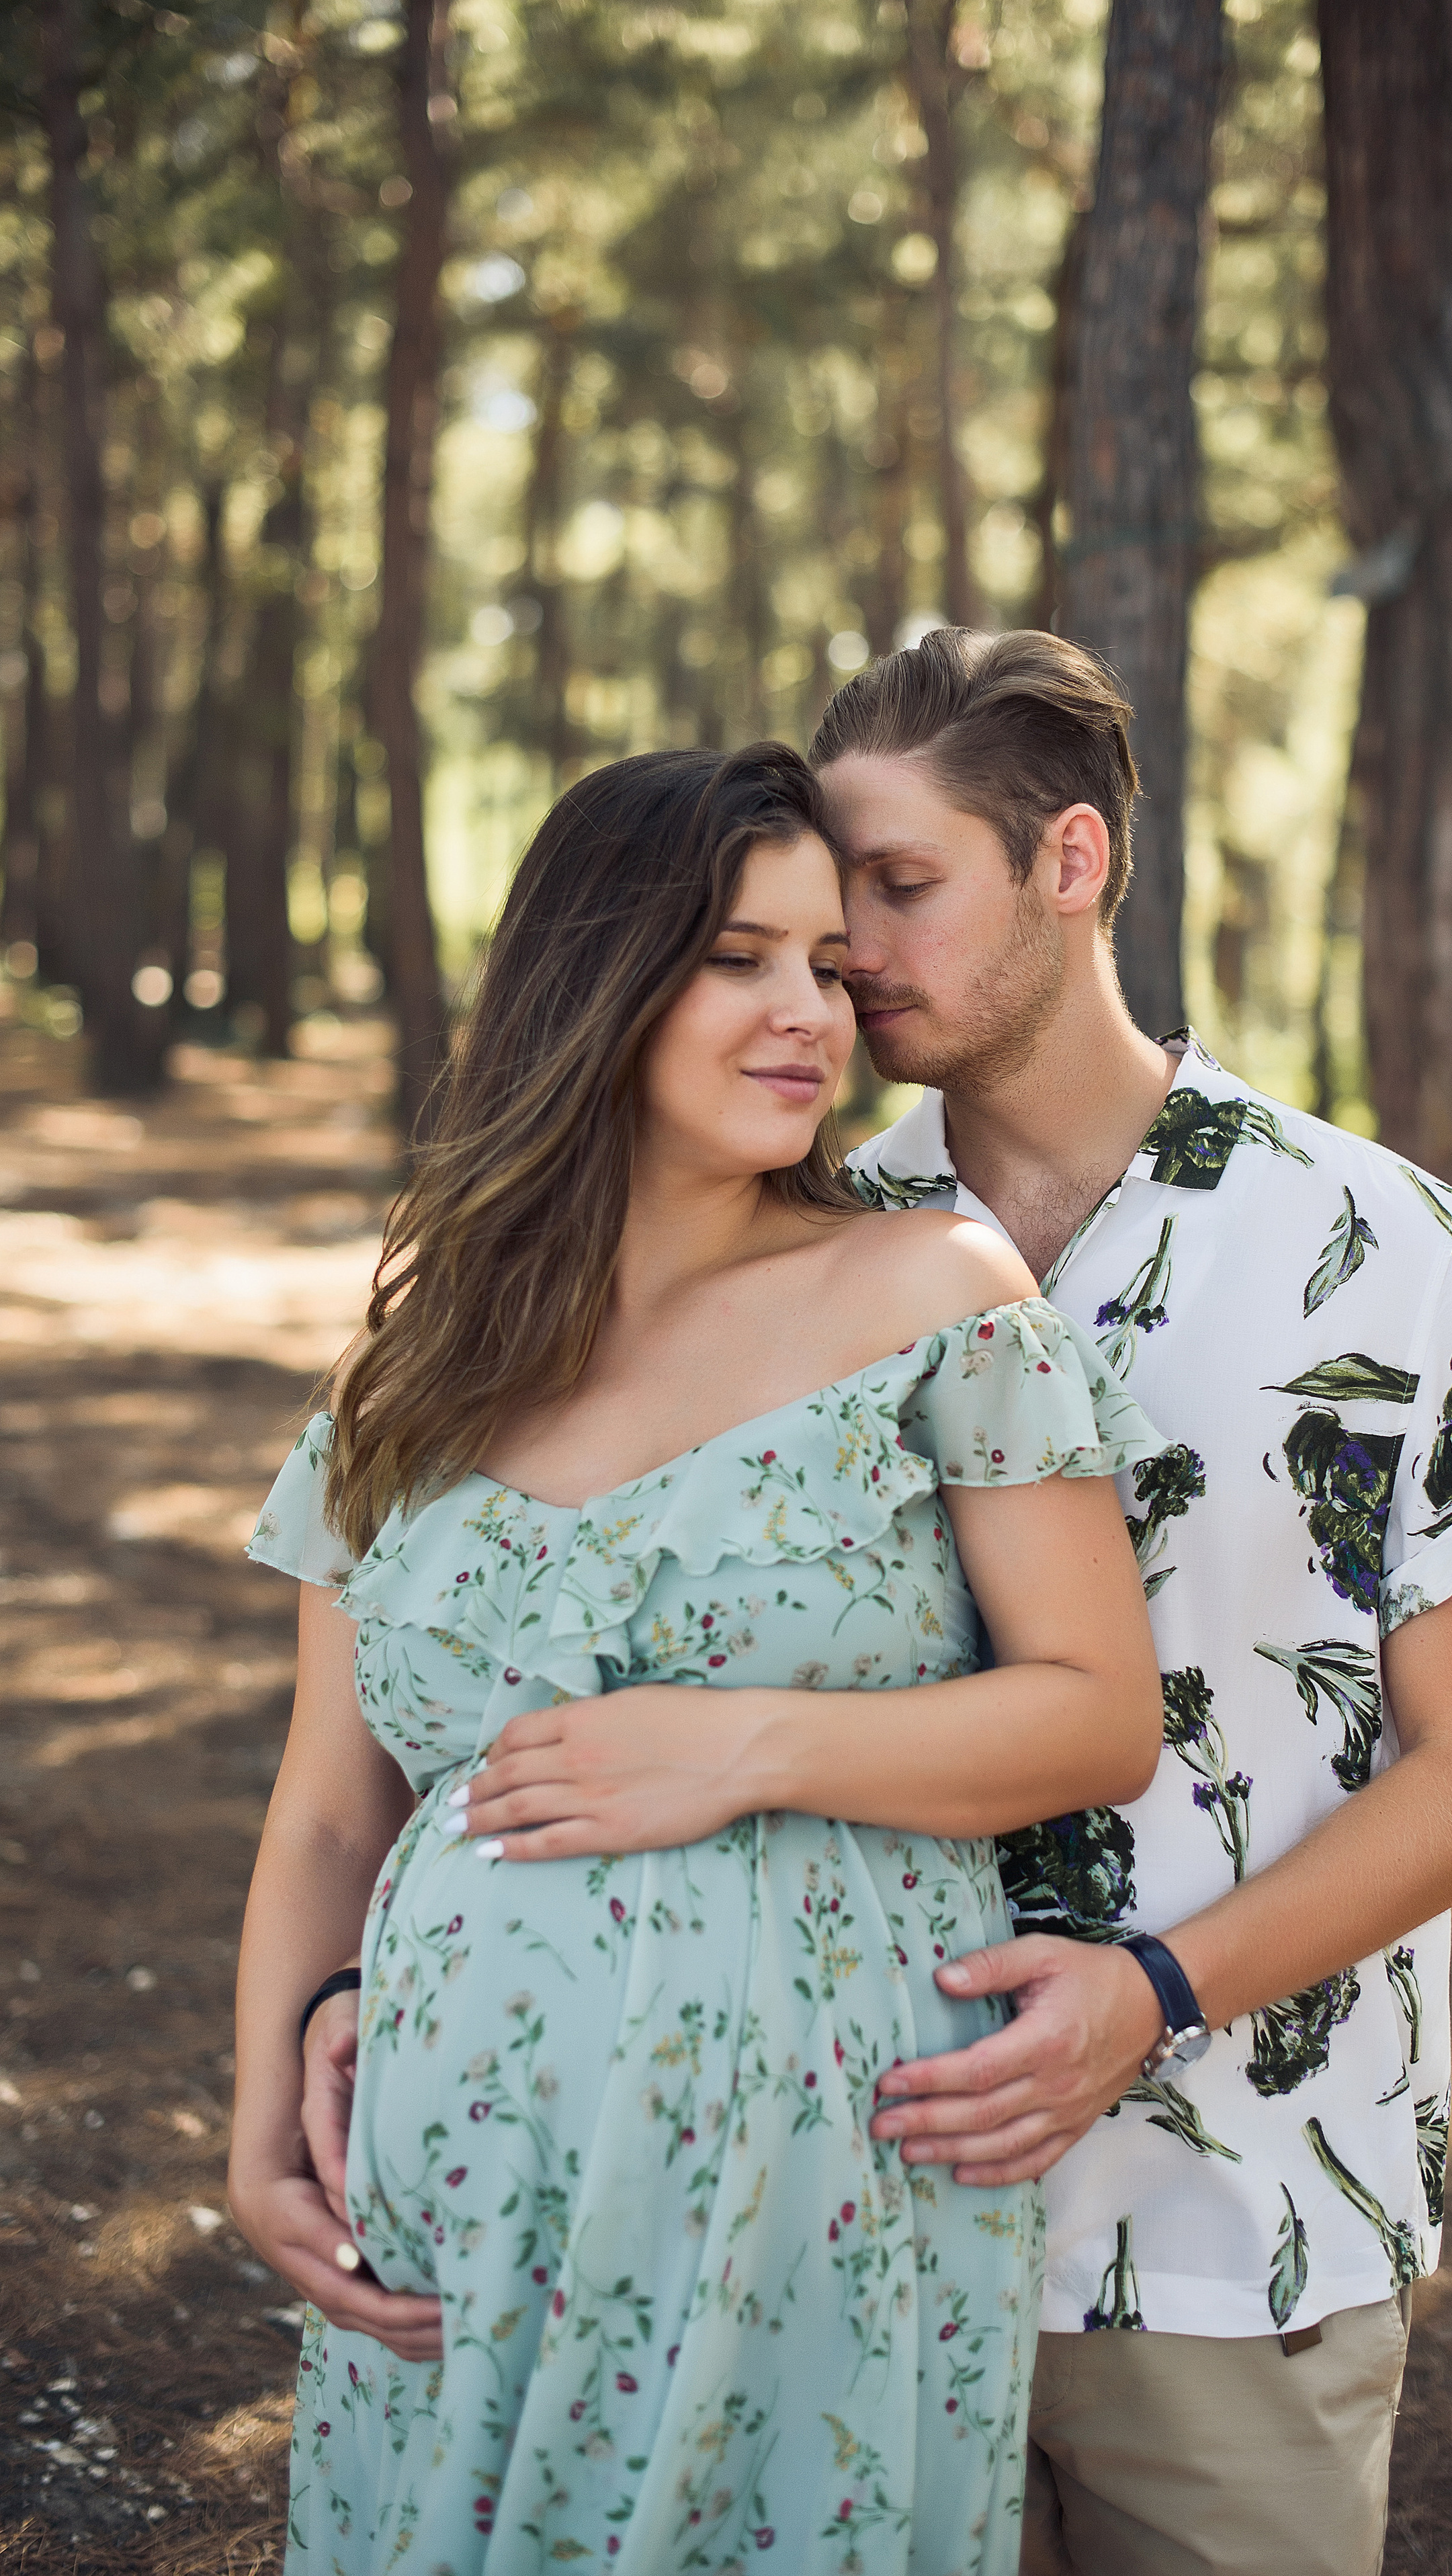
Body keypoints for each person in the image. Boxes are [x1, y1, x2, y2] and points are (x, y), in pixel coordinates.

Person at [226, 742, 1164, 2575]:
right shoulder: (407, 1369)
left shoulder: (933, 1293)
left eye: (828, 963)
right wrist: (263, 2102)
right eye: (739, 955)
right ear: (599, 978)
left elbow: (1097, 1709)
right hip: (462, 2177)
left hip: (807, 2184)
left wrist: (749, 1744)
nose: (809, 1009)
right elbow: (336, 1806)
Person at [804, 628, 1452, 2576]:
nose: (851, 948)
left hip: (1251, 2232)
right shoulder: (798, 1252)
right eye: (835, 897)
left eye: (903, 885)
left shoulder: (1387, 1249)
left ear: (1071, 862)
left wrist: (1150, 1997)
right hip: (854, 2239)